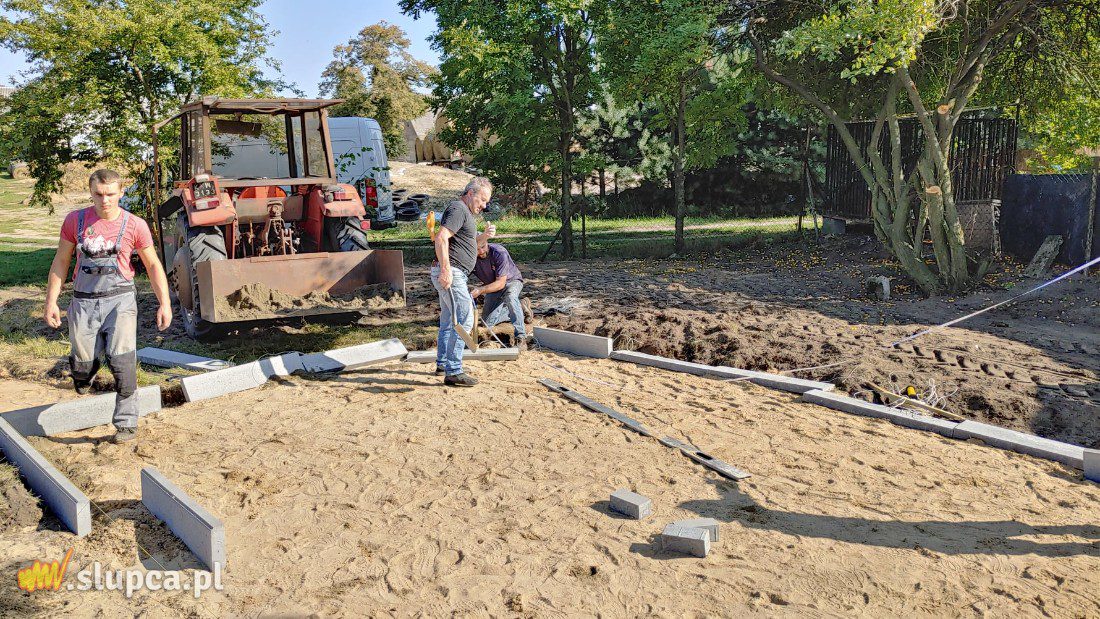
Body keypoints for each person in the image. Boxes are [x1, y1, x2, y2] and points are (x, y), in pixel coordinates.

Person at [43, 169, 173, 443]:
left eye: (111, 194)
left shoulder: (135, 225)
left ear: (121, 193)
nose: (105, 200)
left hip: (120, 300)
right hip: (83, 300)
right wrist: (51, 301)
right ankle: (83, 376)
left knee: (122, 361)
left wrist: (165, 303)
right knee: (82, 362)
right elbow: (61, 261)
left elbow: (152, 265)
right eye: (99, 194)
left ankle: (126, 423)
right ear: (91, 193)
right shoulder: (75, 221)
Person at [431, 176, 493, 387]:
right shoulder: (458, 209)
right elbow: (441, 238)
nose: (484, 206)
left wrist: (484, 235)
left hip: (455, 272)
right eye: (482, 200)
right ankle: (454, 370)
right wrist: (446, 270)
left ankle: (443, 363)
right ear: (470, 194)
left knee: (448, 320)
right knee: (465, 320)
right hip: (452, 272)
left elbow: (471, 244)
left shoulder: (465, 213)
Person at [471, 238, 528, 350]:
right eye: (477, 249)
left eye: (483, 247)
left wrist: (480, 290)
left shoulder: (499, 252)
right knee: (487, 322)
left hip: (511, 281)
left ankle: (521, 337)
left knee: (511, 297)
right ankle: (520, 307)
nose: (481, 251)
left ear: (486, 242)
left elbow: (501, 283)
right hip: (492, 286)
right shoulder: (470, 257)